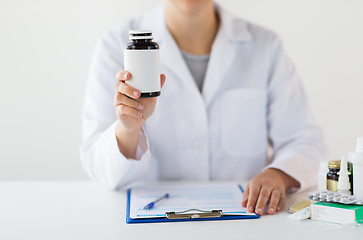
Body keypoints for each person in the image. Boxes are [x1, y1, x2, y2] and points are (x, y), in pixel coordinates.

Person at [81, 0, 326, 216]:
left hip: (247, 221)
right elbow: (101, 168)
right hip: (154, 222)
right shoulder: (116, 45)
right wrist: (128, 129)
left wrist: (278, 175)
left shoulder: (265, 46)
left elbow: (305, 141)